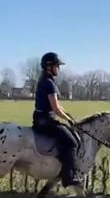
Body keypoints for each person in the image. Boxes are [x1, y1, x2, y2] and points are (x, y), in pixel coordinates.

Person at [32, 52, 81, 187]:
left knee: (66, 133)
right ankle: (67, 177)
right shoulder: (49, 83)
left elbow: (58, 106)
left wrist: (68, 115)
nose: (58, 68)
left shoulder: (46, 80)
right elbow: (55, 108)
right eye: (57, 66)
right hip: (46, 120)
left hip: (41, 118)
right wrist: (69, 120)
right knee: (72, 143)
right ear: (49, 67)